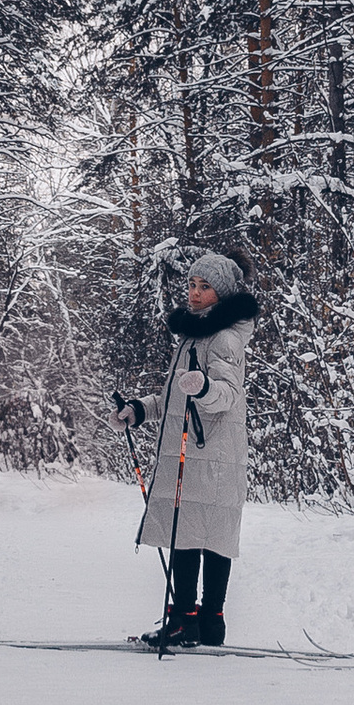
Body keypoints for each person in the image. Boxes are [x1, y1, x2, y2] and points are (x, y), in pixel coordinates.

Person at [138, 251, 259, 649]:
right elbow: (174, 399)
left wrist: (204, 388)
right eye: (192, 284)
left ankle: (190, 620)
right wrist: (138, 411)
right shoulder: (194, 333)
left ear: (220, 294)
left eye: (204, 287)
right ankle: (202, 622)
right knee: (194, 533)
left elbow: (227, 394)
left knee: (195, 535)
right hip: (199, 454)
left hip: (214, 457)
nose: (194, 292)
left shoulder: (223, 337)